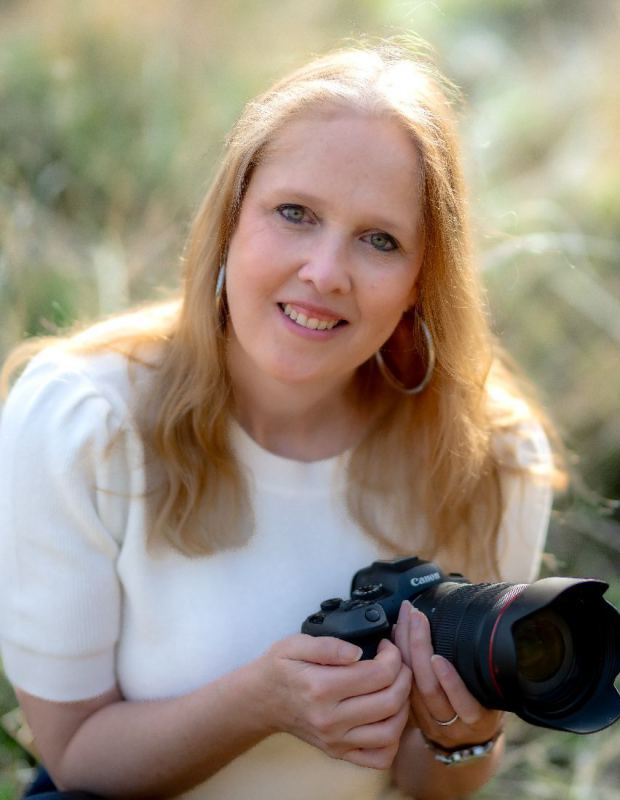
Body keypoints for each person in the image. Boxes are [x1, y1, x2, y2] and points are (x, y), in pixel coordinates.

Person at [0, 39, 561, 800]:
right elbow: (75, 761)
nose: (325, 273)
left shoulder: (490, 457)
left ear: (420, 282)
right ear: (230, 219)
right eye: (295, 214)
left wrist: (464, 735)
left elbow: (437, 785)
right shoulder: (82, 419)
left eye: (379, 240)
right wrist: (258, 703)